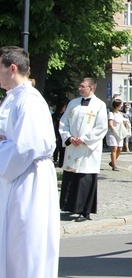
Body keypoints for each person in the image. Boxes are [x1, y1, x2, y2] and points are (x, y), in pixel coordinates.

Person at [0, 46, 60, 278]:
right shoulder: (13, 98)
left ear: (12, 68)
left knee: (25, 240)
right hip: (15, 175)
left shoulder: (29, 101)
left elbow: (26, 147)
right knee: (13, 240)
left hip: (27, 178)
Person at [59, 77, 108, 222]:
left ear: (91, 88)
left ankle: (85, 211)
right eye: (79, 86)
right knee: (72, 176)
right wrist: (69, 137)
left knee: (85, 178)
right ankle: (71, 207)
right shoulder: (73, 103)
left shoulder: (99, 105)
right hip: (73, 146)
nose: (79, 88)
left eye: (82, 86)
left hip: (87, 149)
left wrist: (85, 139)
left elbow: (101, 127)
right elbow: (63, 123)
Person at [107, 98, 130, 170]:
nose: (122, 106)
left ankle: (112, 161)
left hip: (119, 133)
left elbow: (122, 121)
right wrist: (114, 130)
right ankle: (114, 165)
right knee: (114, 148)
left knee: (120, 149)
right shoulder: (111, 114)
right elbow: (110, 124)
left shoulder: (119, 114)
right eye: (120, 105)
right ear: (117, 106)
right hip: (113, 133)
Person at [52, 102, 67, 167]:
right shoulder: (54, 115)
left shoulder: (65, 115)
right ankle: (55, 160)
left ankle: (61, 162)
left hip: (62, 134)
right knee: (56, 148)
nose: (64, 108)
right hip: (56, 133)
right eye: (64, 107)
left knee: (62, 149)